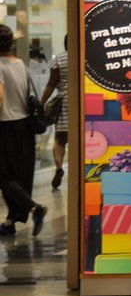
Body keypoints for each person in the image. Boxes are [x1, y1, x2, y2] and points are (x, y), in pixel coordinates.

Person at [0, 24, 46, 237]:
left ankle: (34, 207)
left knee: (4, 176)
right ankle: (11, 221)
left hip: (5, 125)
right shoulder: (20, 64)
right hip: (24, 126)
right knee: (20, 175)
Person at [41, 37, 69, 189]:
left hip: (63, 100)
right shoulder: (85, 57)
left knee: (60, 139)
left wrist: (41, 103)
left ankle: (59, 168)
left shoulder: (59, 58)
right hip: (82, 100)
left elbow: (51, 83)